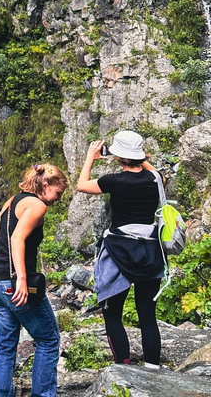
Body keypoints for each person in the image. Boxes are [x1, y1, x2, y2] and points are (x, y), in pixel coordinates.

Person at [77, 130, 163, 368]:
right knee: (147, 314)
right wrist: (137, 158)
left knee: (112, 312)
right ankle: (153, 369)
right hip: (150, 251)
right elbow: (152, 171)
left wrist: (90, 157)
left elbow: (81, 185)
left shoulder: (113, 181)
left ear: (120, 157)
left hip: (119, 251)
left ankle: (123, 367)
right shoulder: (155, 179)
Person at [0, 163, 69, 397]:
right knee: (49, 340)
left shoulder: (11, 201)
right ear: (45, 185)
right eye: (58, 192)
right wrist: (19, 278)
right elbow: (16, 238)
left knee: (4, 347)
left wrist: (3, 277)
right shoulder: (37, 206)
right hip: (16, 286)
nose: (59, 199)